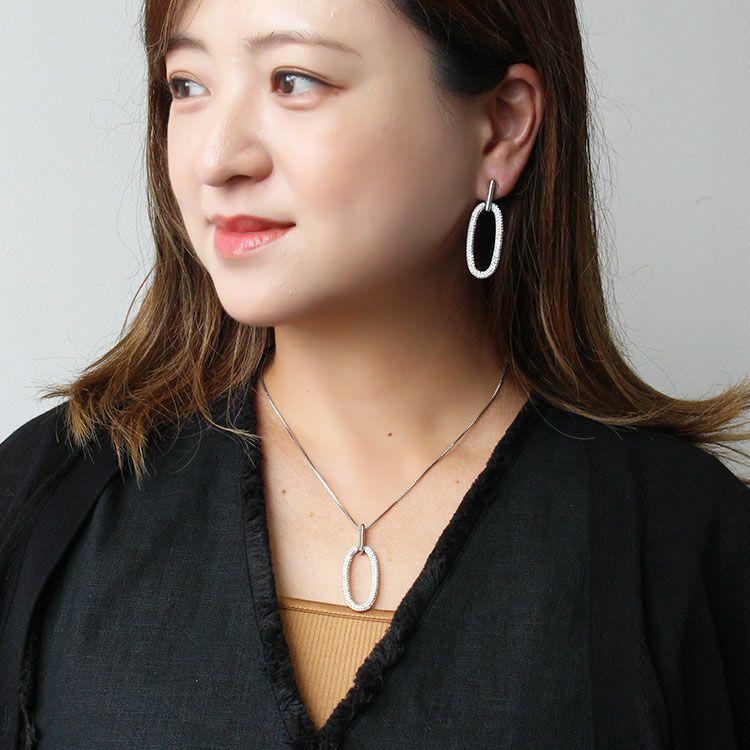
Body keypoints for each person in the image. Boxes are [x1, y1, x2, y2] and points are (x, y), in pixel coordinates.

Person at [1, 0, 748, 748]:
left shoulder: (684, 548)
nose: (215, 160)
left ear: (502, 125)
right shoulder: (46, 503)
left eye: (294, 80)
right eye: (187, 85)